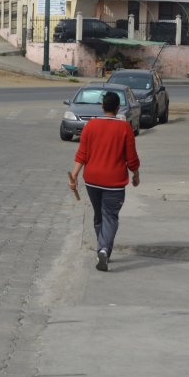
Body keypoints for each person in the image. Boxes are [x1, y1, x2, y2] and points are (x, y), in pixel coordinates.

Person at [68, 91, 140, 272]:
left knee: (99, 215)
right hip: (114, 182)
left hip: (92, 180)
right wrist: (136, 174)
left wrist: (74, 175)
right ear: (118, 108)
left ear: (102, 106)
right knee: (110, 216)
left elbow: (82, 154)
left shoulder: (91, 125)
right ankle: (103, 249)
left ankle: (103, 249)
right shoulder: (124, 128)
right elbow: (131, 158)